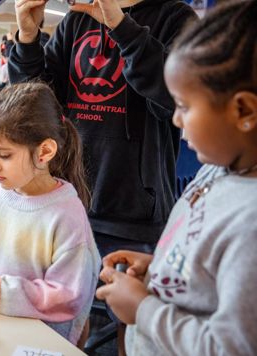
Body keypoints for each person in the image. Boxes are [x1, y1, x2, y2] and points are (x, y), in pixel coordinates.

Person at [96, 1, 257, 354]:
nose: (176, 119)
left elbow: (229, 347)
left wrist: (144, 310)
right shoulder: (218, 170)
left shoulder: (251, 225)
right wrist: (161, 271)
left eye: (184, 106)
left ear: (244, 110)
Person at [9, 0, 197, 258]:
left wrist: (121, 27)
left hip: (134, 221)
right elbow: (35, 107)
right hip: (67, 206)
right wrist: (28, 40)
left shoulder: (176, 18)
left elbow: (176, 97)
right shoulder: (76, 21)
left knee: (126, 297)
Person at [0, 82, 101, 345]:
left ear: (44, 151)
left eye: (5, 155)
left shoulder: (66, 215)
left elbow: (67, 296)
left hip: (41, 341)